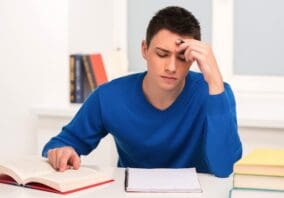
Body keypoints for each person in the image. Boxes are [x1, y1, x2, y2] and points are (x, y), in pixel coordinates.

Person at [42, 6, 242, 177]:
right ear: (145, 49)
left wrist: (215, 80)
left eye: (182, 58)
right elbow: (59, 145)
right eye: (162, 54)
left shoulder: (216, 94)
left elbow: (225, 168)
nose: (171, 67)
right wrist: (62, 151)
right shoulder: (109, 96)